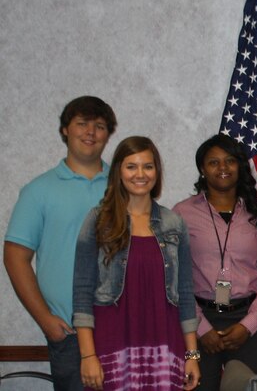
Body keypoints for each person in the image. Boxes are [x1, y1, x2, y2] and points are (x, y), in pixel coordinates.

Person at [4, 96, 116, 390]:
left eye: (100, 126)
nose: (90, 132)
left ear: (108, 134)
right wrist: (45, 320)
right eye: (82, 124)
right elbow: (15, 257)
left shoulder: (124, 187)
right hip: (69, 335)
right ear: (65, 130)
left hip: (122, 328)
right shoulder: (38, 191)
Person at [72, 136, 200, 390]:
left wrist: (192, 357)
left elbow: (185, 295)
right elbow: (82, 292)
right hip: (111, 345)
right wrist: (87, 356)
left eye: (148, 166)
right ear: (119, 171)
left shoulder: (174, 224)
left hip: (166, 345)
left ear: (157, 172)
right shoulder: (98, 220)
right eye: (131, 166)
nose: (140, 174)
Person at [173, 134, 257, 389]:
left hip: (248, 322)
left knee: (252, 388)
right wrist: (202, 328)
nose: (222, 168)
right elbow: (176, 278)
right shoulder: (182, 213)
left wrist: (248, 325)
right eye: (213, 162)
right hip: (198, 323)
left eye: (229, 161)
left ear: (239, 166)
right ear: (202, 169)